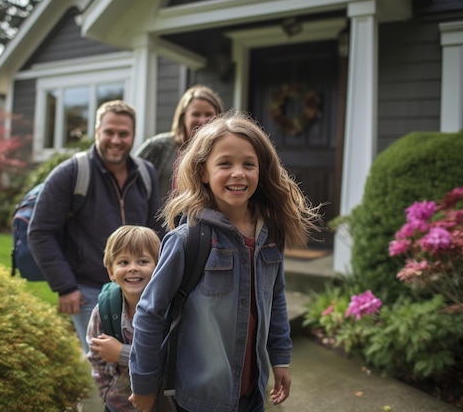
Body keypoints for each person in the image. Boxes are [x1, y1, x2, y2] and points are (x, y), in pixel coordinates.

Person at [129, 110, 322, 412]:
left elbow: (276, 299)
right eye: (225, 164)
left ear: (261, 170)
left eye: (249, 164)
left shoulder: (271, 236)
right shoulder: (186, 241)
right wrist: (143, 384)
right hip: (200, 397)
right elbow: (150, 314)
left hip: (252, 394)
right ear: (203, 172)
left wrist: (280, 357)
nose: (238, 173)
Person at [28, 100, 162, 355]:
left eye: (123, 133)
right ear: (97, 131)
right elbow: (40, 231)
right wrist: (65, 286)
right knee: (106, 365)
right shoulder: (71, 172)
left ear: (133, 135)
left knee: (142, 361)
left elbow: (158, 229)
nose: (116, 139)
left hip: (140, 287)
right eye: (109, 132)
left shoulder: (146, 172)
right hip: (90, 291)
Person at [86, 225, 161, 412]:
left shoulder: (167, 311)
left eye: (143, 261)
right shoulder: (104, 310)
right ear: (111, 271)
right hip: (117, 406)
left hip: (160, 404)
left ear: (160, 267)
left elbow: (170, 359)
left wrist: (122, 353)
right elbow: (97, 359)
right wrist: (106, 395)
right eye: (123, 262)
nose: (133, 268)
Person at [136, 84, 225, 201]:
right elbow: (129, 175)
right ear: (183, 117)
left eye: (208, 114)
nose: (203, 120)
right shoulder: (158, 146)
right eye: (196, 114)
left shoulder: (223, 151)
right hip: (160, 218)